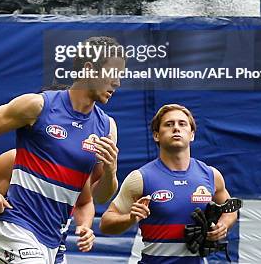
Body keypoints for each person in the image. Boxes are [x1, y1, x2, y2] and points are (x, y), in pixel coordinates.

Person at [0, 36, 123, 264]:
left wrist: (110, 172)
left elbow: (97, 197)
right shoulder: (38, 105)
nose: (117, 82)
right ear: (89, 69)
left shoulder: (108, 128)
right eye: (113, 72)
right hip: (15, 229)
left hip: (54, 244)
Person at [100, 103, 238, 263]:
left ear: (192, 134)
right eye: (169, 124)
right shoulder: (140, 178)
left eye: (182, 123)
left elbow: (230, 209)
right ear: (156, 135)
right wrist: (130, 218)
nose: (176, 128)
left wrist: (223, 226)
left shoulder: (211, 175)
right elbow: (105, 223)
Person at [0, 149, 96, 263]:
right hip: (17, 237)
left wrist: (84, 226)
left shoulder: (76, 166)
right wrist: (6, 237)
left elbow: (85, 202)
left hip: (56, 250)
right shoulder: (13, 159)